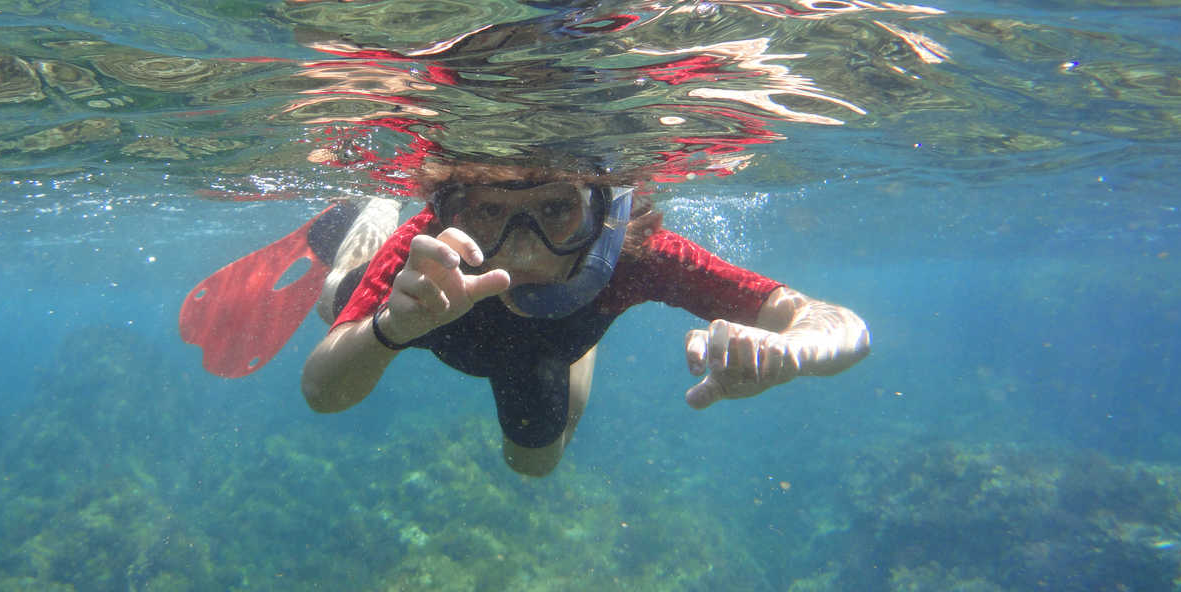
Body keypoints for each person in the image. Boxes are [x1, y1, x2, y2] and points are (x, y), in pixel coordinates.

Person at [301, 165, 870, 477]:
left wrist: (791, 351)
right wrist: (388, 330)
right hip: (436, 317)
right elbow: (322, 393)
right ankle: (374, 212)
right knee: (333, 299)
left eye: (555, 209)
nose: (523, 250)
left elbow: (841, 326)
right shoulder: (431, 254)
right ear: (452, 214)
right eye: (488, 212)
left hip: (544, 351)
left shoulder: (636, 255)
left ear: (602, 213)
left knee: (534, 465)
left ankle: (578, 346)